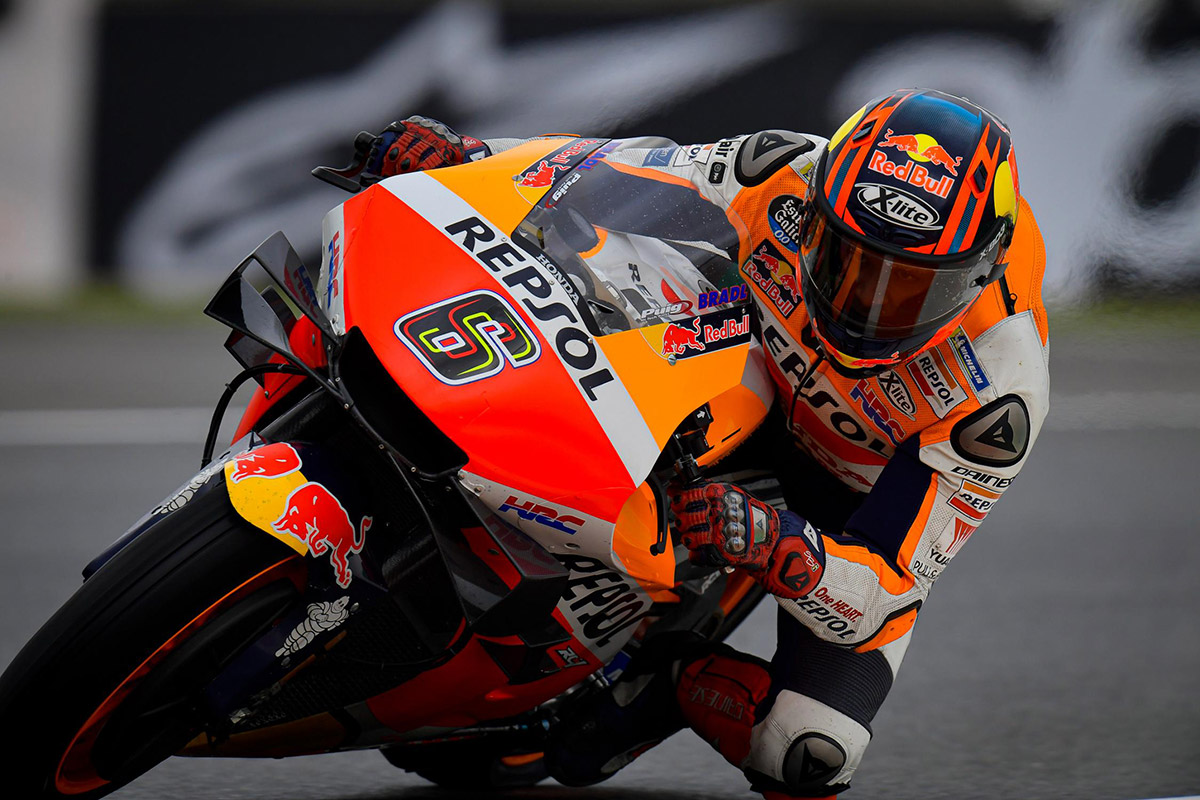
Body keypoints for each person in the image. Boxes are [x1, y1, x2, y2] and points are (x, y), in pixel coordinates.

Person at [360, 90, 1049, 799]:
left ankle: (672, 678)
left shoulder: (998, 392)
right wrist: (468, 158)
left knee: (810, 753)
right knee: (600, 241)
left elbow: (889, 591)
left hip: (845, 511)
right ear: (817, 208)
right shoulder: (782, 175)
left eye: (911, 290)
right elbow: (605, 170)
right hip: (731, 378)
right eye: (845, 260)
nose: (862, 305)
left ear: (982, 271)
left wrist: (778, 545)